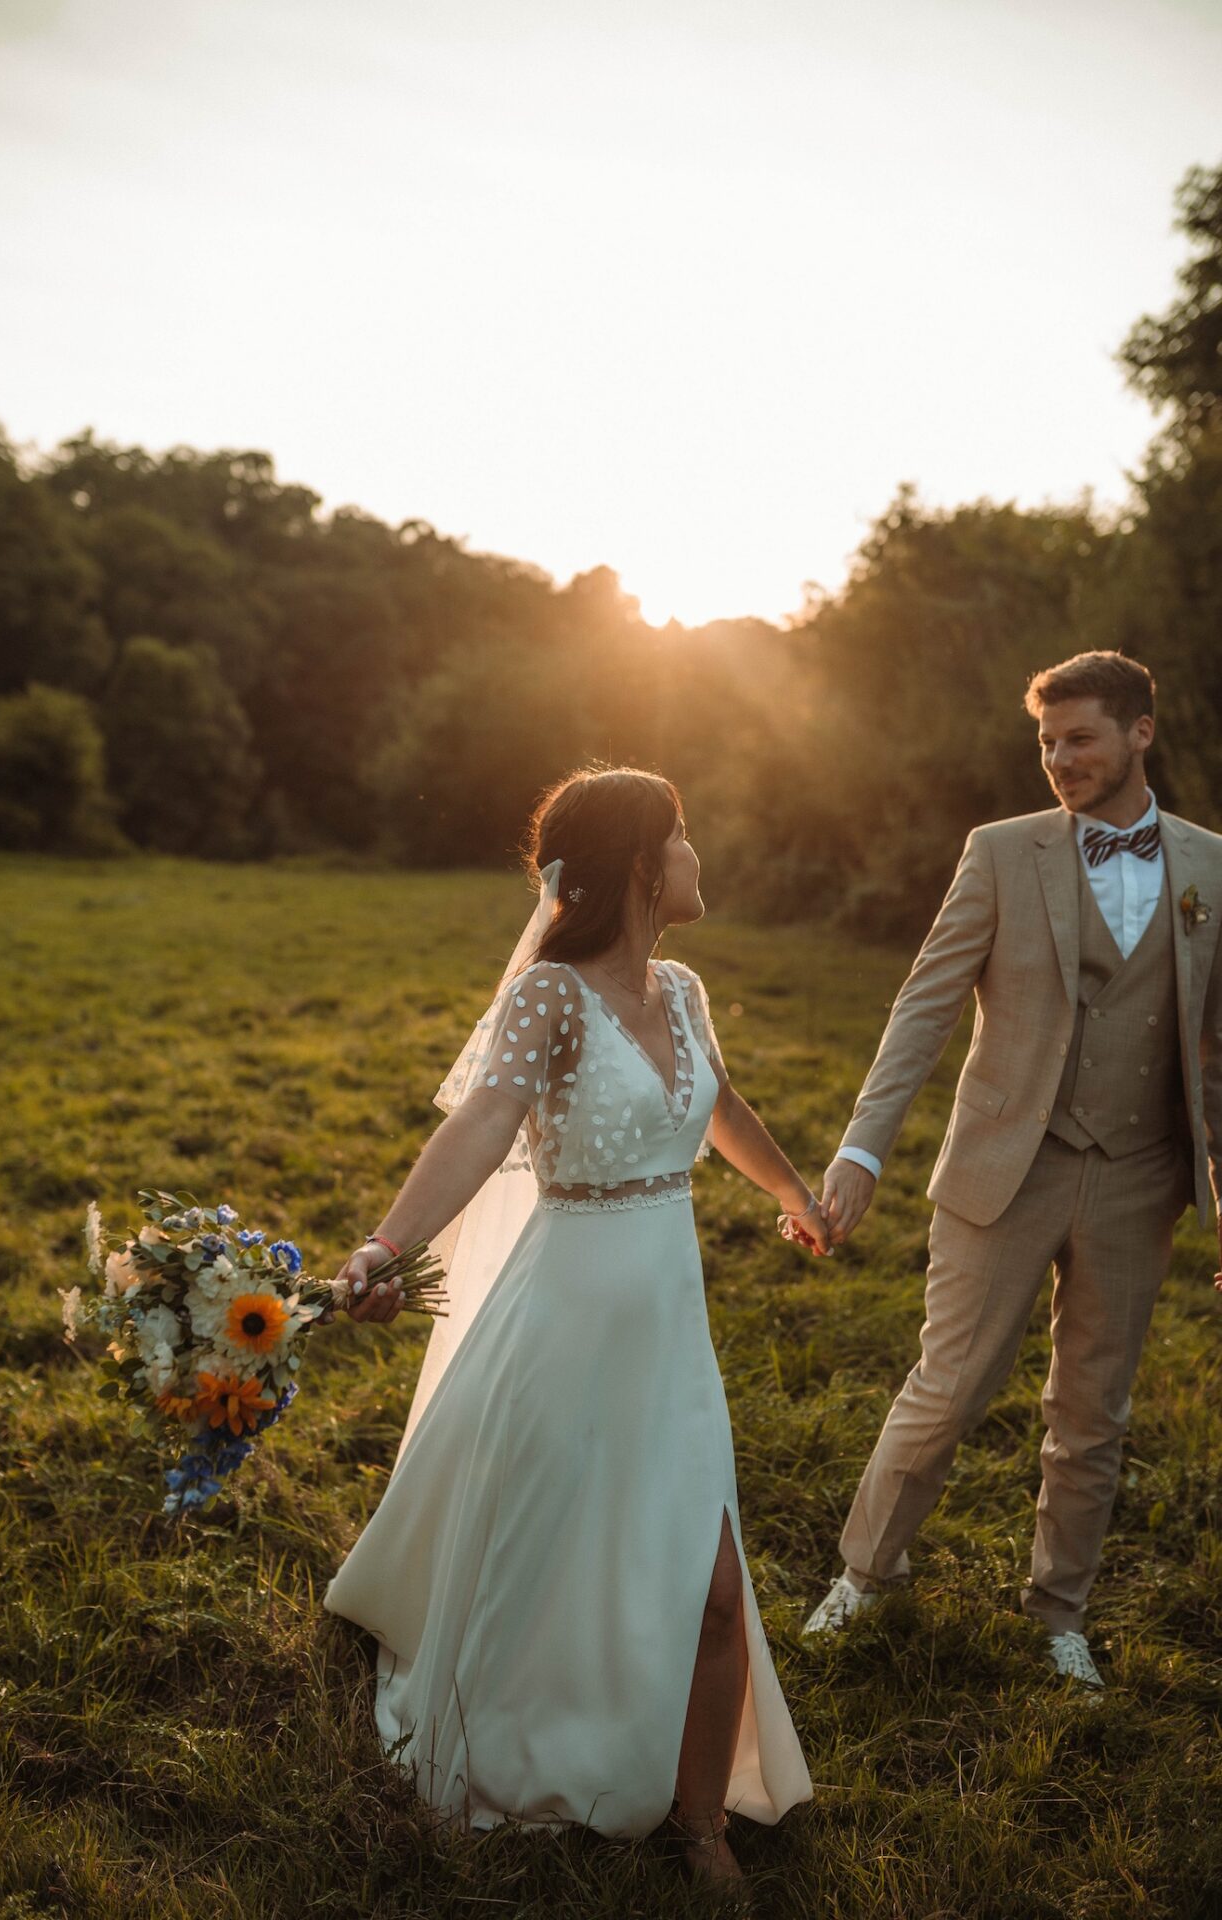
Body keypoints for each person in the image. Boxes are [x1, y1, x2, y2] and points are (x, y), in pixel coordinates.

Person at [324, 767, 827, 1890]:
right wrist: (381, 1250)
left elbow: (722, 1106)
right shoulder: (547, 996)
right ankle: (513, 1738)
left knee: (710, 1589)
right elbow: (477, 1130)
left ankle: (701, 1823)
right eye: (683, 836)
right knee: (543, 1559)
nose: (698, 855)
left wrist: (792, 1195)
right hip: (563, 1313)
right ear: (643, 864)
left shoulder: (685, 990)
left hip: (667, 1323)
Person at [806, 651, 1222, 1686]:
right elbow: (925, 1004)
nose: (1057, 759)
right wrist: (862, 1145)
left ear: (1137, 733)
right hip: (1005, 1162)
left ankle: (1054, 1614)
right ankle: (865, 1573)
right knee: (945, 1388)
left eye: (1077, 737)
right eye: (1045, 742)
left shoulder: (1208, 868)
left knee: (1092, 1411)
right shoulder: (998, 852)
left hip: (1138, 1174)